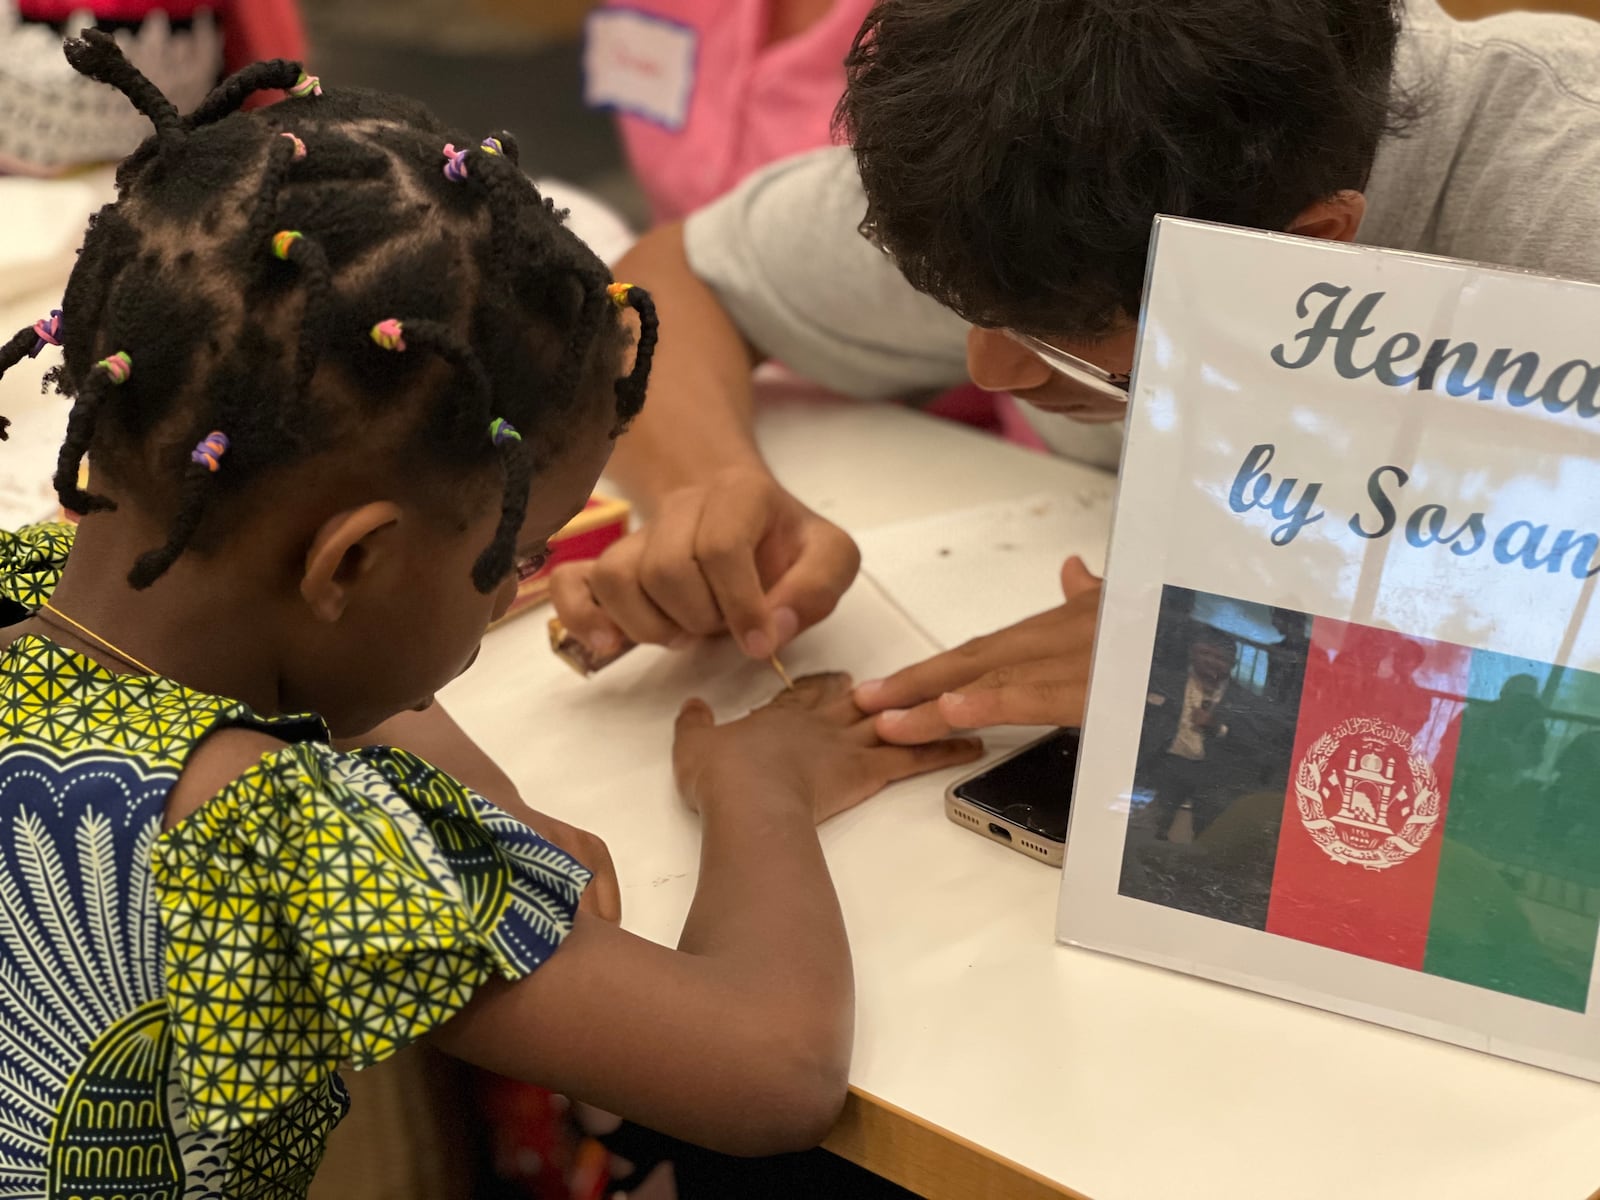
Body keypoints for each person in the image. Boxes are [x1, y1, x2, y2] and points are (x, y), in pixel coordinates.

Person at [0, 35, 981, 1197]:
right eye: (514, 553)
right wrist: (758, 788)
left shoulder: (43, 583)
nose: (523, 586)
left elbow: (346, 694)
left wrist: (483, 821)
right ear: (353, 559)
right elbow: (773, 1072)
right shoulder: (279, 840)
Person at [550, 0, 1600, 747]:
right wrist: (708, 489)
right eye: (968, 313)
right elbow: (674, 282)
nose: (987, 368)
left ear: (1315, 245)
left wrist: (1279, 667)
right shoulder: (1028, 151)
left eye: (1056, 337)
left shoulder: (1561, 216)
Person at [1135, 626, 1272, 840]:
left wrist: (1217, 727)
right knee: (1149, 827)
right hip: (1165, 765)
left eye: (1221, 657)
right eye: (1205, 653)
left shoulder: (1245, 701)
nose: (1211, 661)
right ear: (1192, 652)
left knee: (1212, 833)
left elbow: (1254, 746)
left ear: (1233, 664)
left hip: (1214, 774)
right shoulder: (1163, 682)